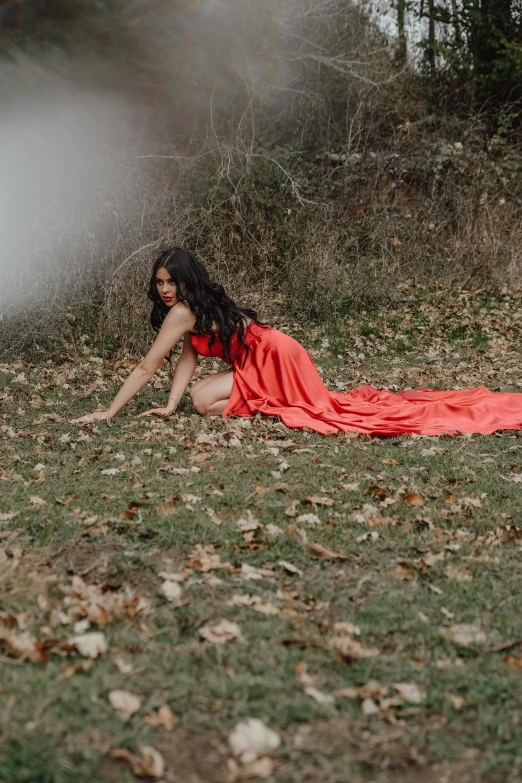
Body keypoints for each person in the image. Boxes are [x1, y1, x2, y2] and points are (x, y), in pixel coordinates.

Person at [75, 246, 522, 436]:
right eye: (159, 282)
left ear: (187, 282)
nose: (165, 290)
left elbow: (145, 367)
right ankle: (270, 405)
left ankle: (276, 404)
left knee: (205, 401)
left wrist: (107, 411)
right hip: (263, 357)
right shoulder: (190, 311)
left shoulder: (185, 310)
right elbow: (187, 357)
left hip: (277, 354)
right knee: (198, 401)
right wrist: (169, 405)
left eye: (171, 281)